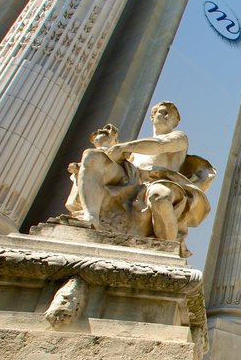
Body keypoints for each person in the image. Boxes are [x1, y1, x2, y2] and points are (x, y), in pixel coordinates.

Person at [68, 102, 214, 251]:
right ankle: (91, 218)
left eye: (171, 115)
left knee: (160, 196)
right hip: (132, 177)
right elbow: (113, 162)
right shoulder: (136, 149)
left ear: (176, 123)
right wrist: (106, 145)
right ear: (152, 116)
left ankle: (167, 247)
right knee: (92, 156)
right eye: (162, 112)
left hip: (159, 181)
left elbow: (161, 144)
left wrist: (124, 147)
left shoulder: (179, 137)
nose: (166, 116)